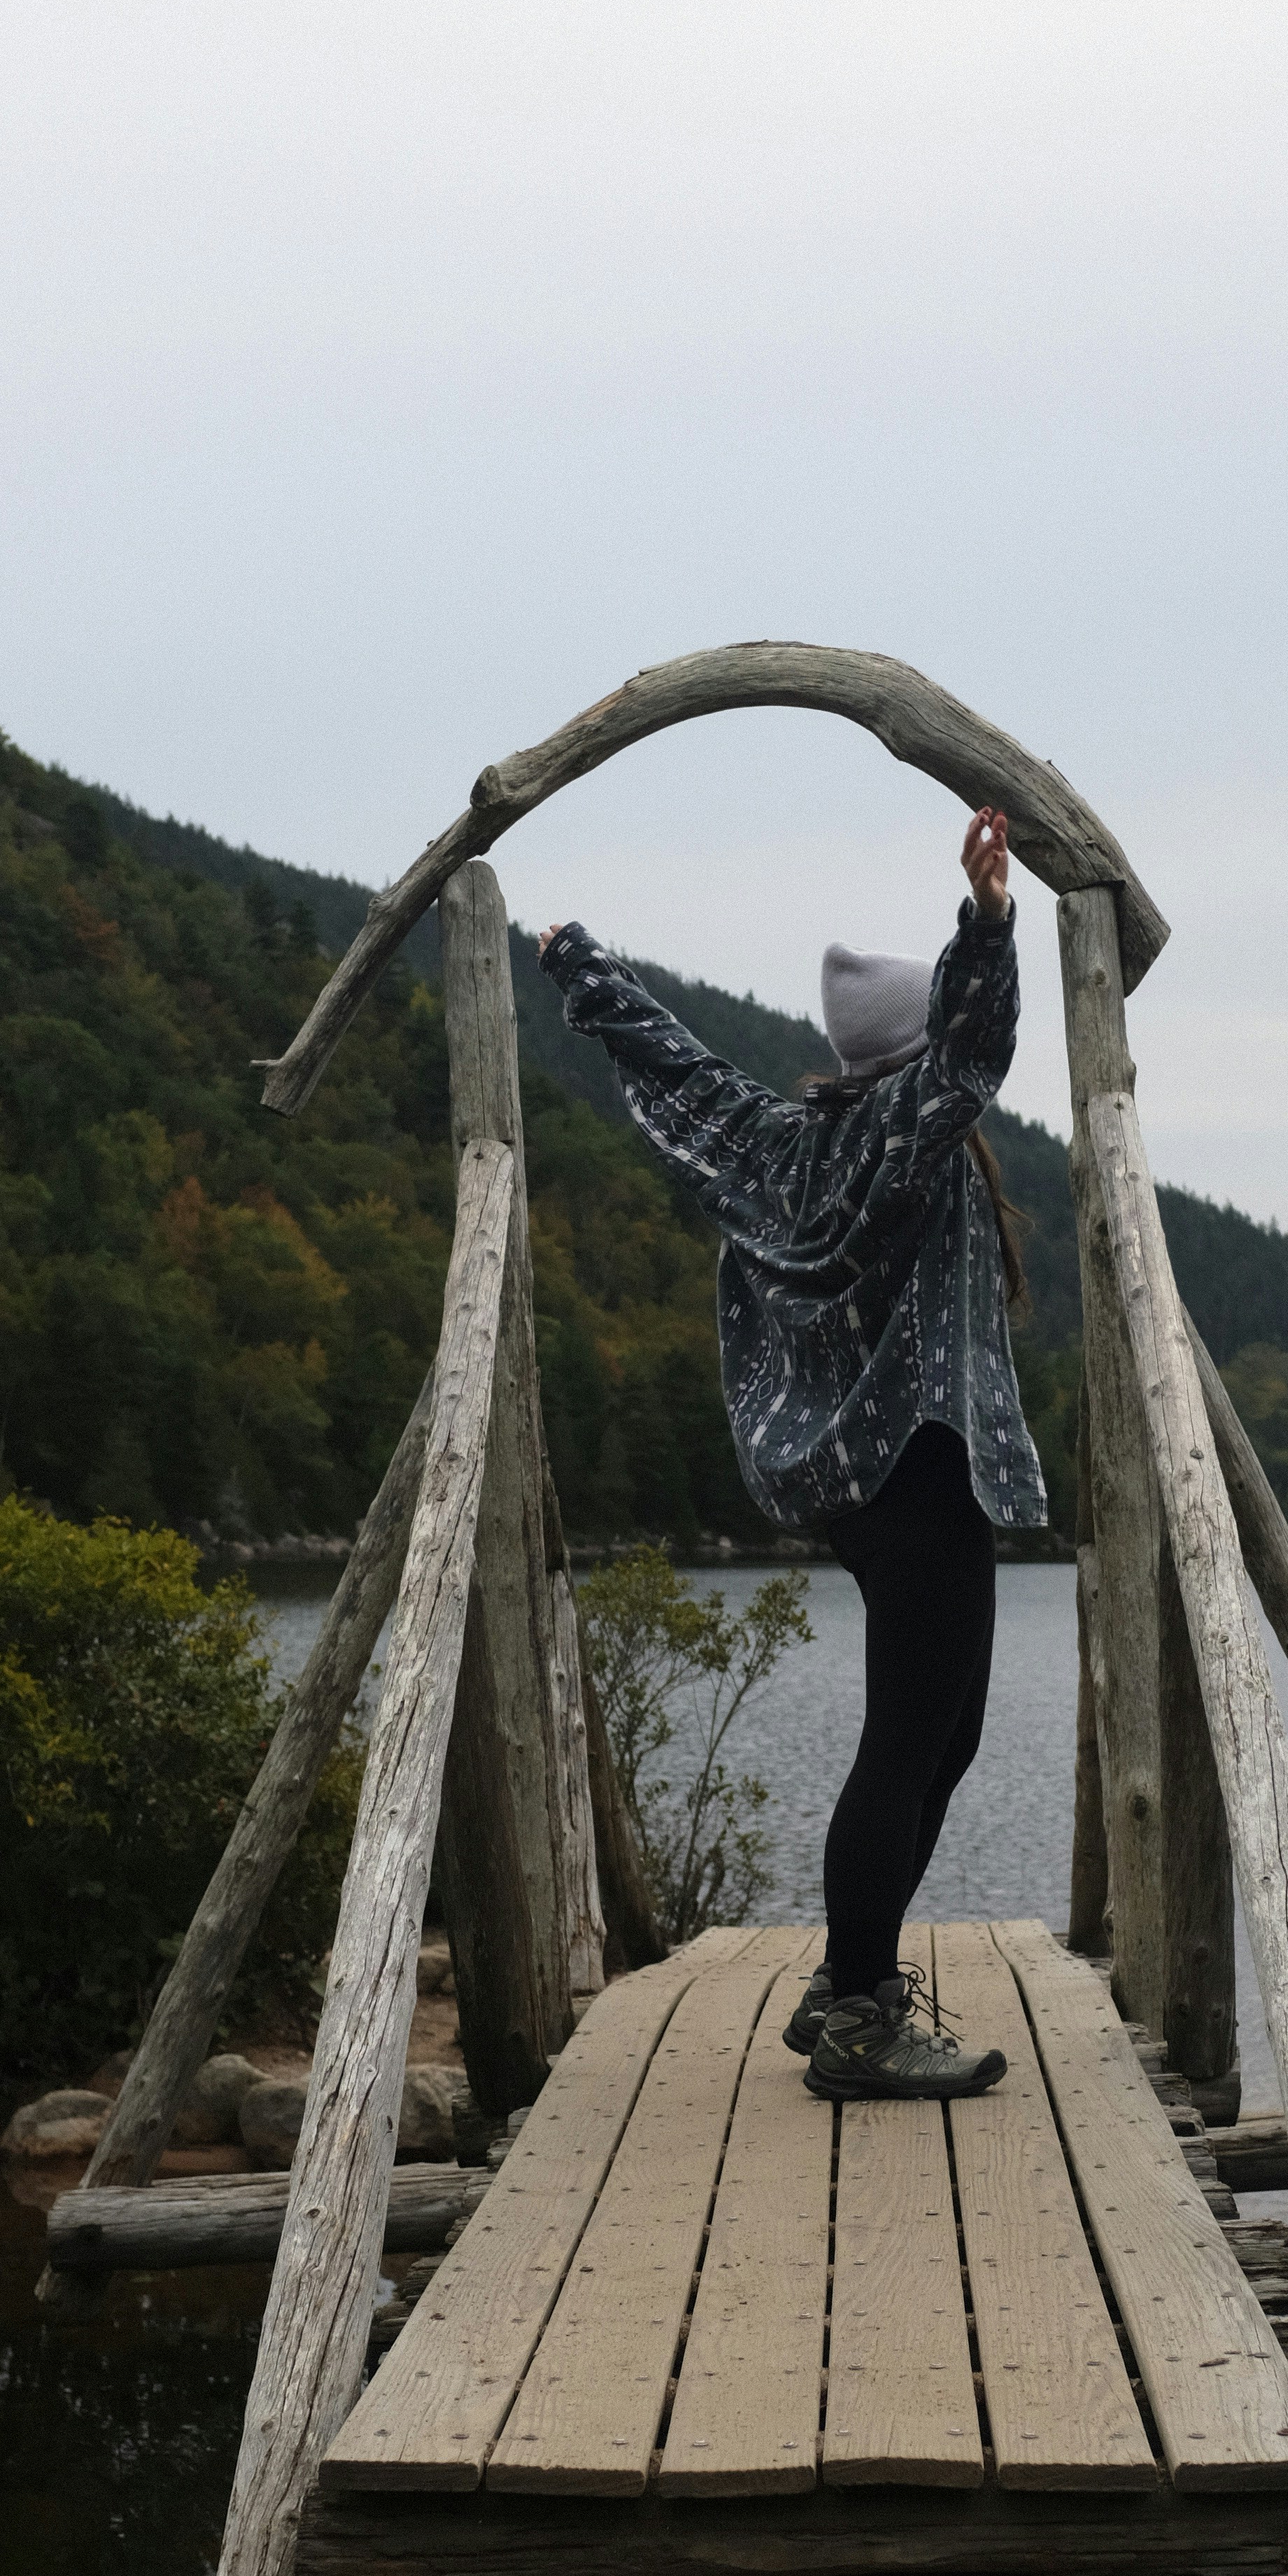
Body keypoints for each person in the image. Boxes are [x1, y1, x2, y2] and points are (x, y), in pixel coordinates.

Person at [539, 806, 1044, 2101]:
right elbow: (977, 1043)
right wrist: (987, 922)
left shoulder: (786, 1147)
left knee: (947, 1732)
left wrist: (577, 964)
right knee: (911, 1738)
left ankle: (847, 1985)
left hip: (857, 1488)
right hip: (924, 1476)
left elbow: (678, 1075)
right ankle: (866, 2018)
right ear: (914, 1058)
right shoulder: (912, 1128)